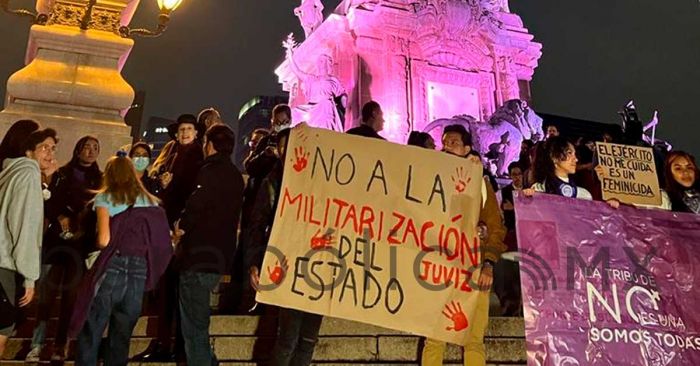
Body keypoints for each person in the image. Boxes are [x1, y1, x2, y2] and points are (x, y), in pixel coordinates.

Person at [71, 153, 171, 366]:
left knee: (93, 328)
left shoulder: (105, 197)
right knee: (121, 335)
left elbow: (105, 240)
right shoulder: (150, 202)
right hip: (139, 268)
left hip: (113, 265)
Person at [421, 124, 506, 366]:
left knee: (474, 338)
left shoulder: (481, 184)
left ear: (467, 149)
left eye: (454, 143)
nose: (446, 146)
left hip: (474, 267)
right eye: (444, 142)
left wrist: (488, 263)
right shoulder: (429, 181)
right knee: (434, 338)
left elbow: (496, 226)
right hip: (439, 267)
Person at [246, 128, 324, 366]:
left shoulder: (322, 181)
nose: (285, 151)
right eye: (281, 147)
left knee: (309, 339)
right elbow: (257, 225)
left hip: (319, 267)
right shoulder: (273, 181)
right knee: (288, 338)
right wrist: (255, 262)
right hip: (287, 264)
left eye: (289, 146)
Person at [171, 125, 244, 365]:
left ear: (209, 145)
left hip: (198, 256)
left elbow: (195, 206)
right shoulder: (235, 175)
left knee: (194, 326)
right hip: (220, 256)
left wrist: (181, 227)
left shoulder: (208, 171)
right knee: (198, 321)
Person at [136, 114, 205, 362]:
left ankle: (169, 343)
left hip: (180, 229)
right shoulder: (175, 154)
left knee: (172, 289)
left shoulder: (197, 157)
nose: (185, 132)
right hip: (167, 225)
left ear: (196, 132)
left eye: (189, 129)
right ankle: (163, 341)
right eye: (182, 129)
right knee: (165, 289)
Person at [29, 135, 102, 361]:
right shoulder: (61, 174)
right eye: (86, 147)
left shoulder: (100, 179)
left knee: (71, 296)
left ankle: (61, 344)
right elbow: (47, 201)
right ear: (77, 149)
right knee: (46, 295)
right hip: (56, 241)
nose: (90, 151)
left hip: (80, 245)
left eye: (95, 148)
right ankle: (37, 343)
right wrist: (60, 215)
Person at [0, 127, 58, 356]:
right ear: (28, 151)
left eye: (53, 148)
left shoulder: (11, 171)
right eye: (44, 147)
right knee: (3, 331)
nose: (50, 153)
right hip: (6, 265)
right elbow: (25, 226)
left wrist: (45, 181)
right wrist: (30, 277)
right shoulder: (28, 173)